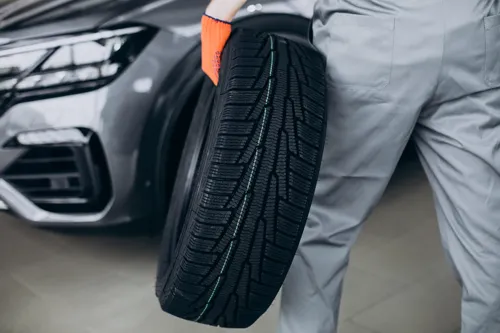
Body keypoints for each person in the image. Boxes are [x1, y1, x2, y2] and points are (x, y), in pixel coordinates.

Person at [201, 0, 500, 332]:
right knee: (487, 230)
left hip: (374, 40)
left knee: (322, 226)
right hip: (476, 37)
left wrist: (218, 14)